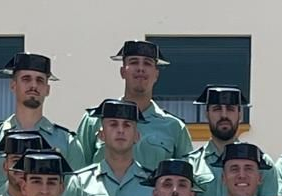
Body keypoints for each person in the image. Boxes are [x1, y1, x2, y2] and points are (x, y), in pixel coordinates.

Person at [0, 52, 74, 196]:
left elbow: (72, 195)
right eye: (26, 79)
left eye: (40, 80)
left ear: (47, 89)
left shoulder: (67, 141)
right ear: (13, 85)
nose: (33, 85)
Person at [72, 40, 194, 171]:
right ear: (122, 71)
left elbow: (186, 180)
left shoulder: (174, 127)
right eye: (134, 62)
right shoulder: (94, 120)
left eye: (147, 63)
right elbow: (75, 176)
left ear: (156, 74)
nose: (140, 68)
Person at [63, 100, 155, 196]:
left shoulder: (153, 185)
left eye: (127, 125)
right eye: (113, 124)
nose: (120, 130)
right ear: (101, 135)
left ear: (137, 136)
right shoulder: (80, 182)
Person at [190, 89, 282, 196]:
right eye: (217, 109)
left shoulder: (262, 163)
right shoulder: (192, 164)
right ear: (207, 114)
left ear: (240, 114)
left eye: (230, 109)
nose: (224, 115)